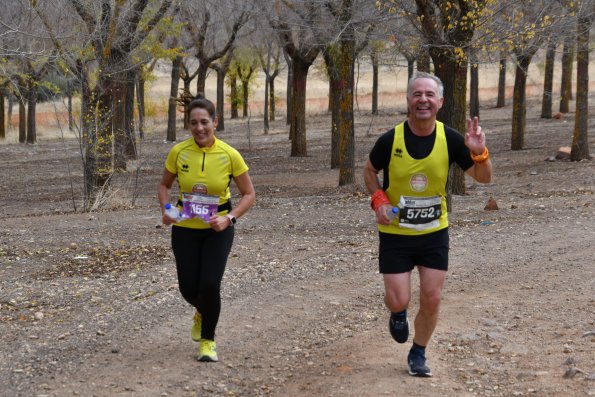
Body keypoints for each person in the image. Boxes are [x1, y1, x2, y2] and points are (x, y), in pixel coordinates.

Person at [363, 72, 492, 377]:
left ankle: (418, 352)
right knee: (400, 299)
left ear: (440, 102)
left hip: (434, 231)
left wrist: (478, 152)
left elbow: (484, 178)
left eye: (429, 95)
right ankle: (397, 313)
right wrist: (378, 200)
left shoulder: (450, 139)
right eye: (417, 94)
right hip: (396, 233)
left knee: (432, 298)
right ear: (408, 101)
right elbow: (369, 171)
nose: (423, 99)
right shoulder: (390, 139)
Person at [158, 95, 255, 362]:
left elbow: (249, 195)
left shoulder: (229, 154)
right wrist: (167, 210)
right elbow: (164, 186)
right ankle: (202, 311)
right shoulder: (179, 152)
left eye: (204, 122)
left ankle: (208, 341)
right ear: (188, 125)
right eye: (193, 123)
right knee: (189, 288)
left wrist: (229, 218)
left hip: (218, 230)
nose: (199, 128)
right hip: (185, 228)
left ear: (215, 121)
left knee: (210, 284)